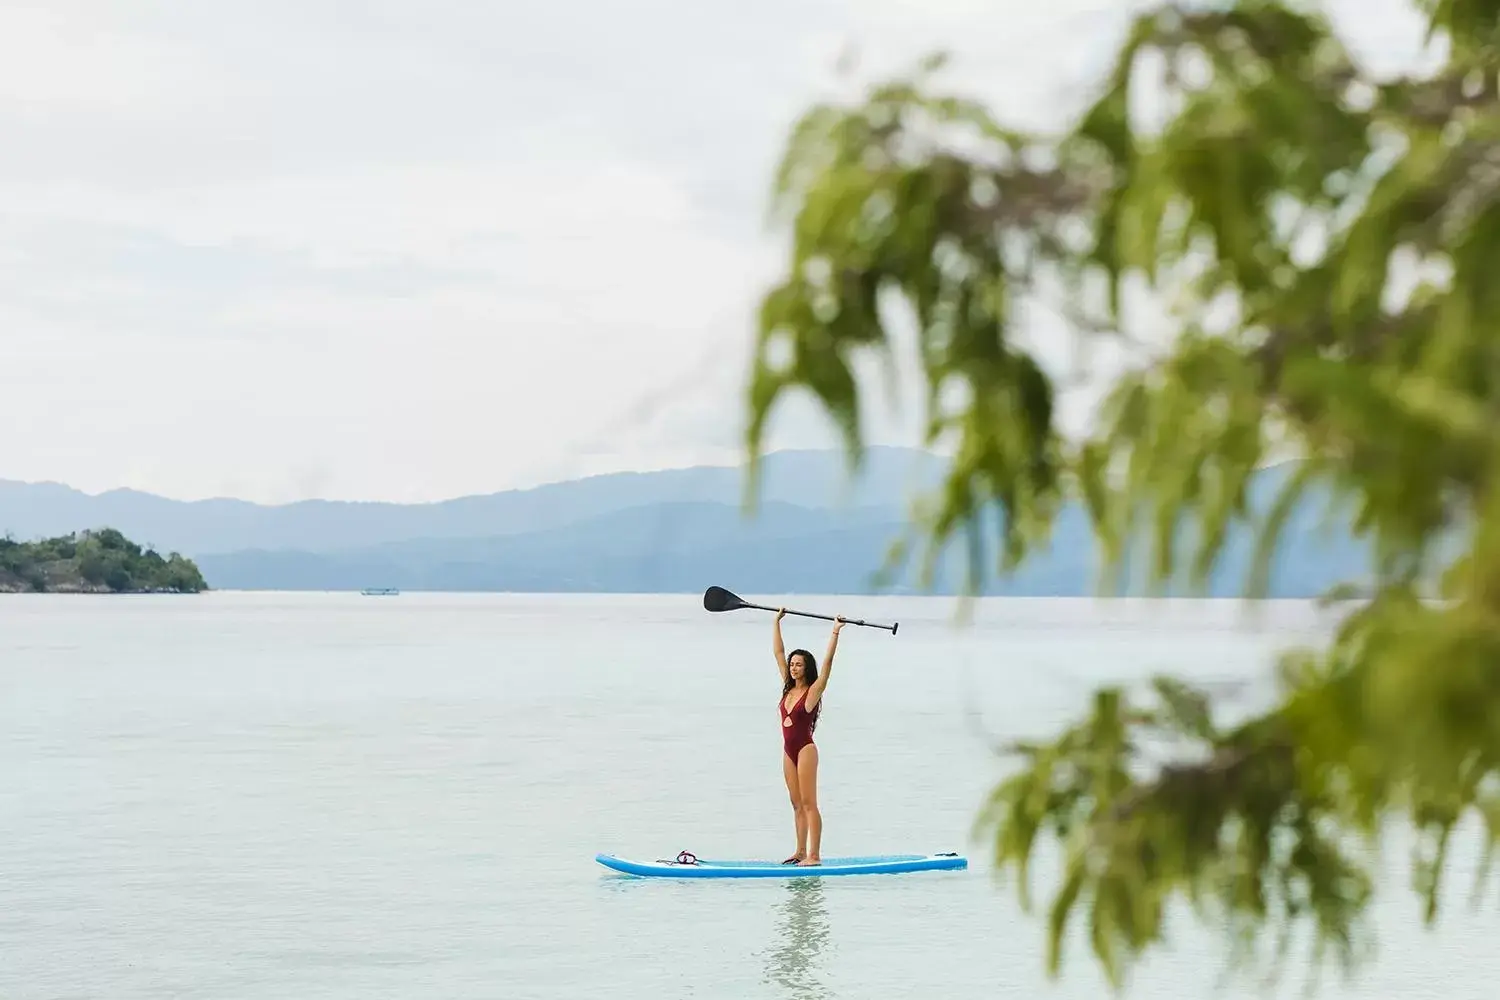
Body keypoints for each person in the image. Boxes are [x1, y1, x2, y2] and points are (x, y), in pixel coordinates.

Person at [772, 606, 844, 866]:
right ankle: (800, 851)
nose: (793, 667)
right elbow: (778, 653)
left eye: (798, 665)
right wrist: (776, 622)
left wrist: (834, 632)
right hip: (787, 751)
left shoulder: (812, 692)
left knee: (809, 802)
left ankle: (814, 855)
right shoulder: (786, 688)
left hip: (805, 749)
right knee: (795, 803)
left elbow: (826, 667)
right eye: (792, 664)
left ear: (806, 668)